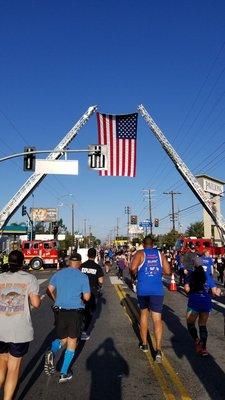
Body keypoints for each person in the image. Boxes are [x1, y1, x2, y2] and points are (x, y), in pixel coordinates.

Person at [0, 250, 40, 400]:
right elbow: (36, 303)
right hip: (18, 330)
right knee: (13, 368)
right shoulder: (29, 278)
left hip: (0, 328)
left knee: (1, 363)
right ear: (23, 262)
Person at [45, 252, 90, 383]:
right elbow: (87, 297)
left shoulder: (59, 274)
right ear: (80, 263)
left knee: (63, 338)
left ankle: (52, 351)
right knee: (72, 341)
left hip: (60, 311)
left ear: (69, 262)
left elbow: (49, 290)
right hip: (75, 312)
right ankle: (64, 373)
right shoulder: (82, 277)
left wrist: (56, 300)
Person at [130, 236, 171, 363]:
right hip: (157, 290)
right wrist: (157, 272)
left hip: (143, 289)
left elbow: (132, 268)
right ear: (153, 244)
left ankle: (145, 344)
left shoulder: (140, 253)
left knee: (143, 314)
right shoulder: (160, 254)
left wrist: (134, 276)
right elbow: (168, 271)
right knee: (157, 319)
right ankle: (158, 350)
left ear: (143, 244)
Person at [184, 264, 221, 356]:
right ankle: (204, 348)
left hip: (194, 302)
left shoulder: (191, 275)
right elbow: (214, 292)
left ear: (194, 266)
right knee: (202, 325)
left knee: (190, 323)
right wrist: (218, 291)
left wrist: (191, 291)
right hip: (206, 302)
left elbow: (186, 289)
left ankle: (197, 340)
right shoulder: (208, 276)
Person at [80, 248, 104, 340]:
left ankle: (78, 326)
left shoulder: (82, 266)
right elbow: (101, 280)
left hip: (81, 290)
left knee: (81, 309)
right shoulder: (97, 267)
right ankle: (85, 331)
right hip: (92, 291)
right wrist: (99, 286)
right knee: (90, 312)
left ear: (87, 255)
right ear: (95, 256)